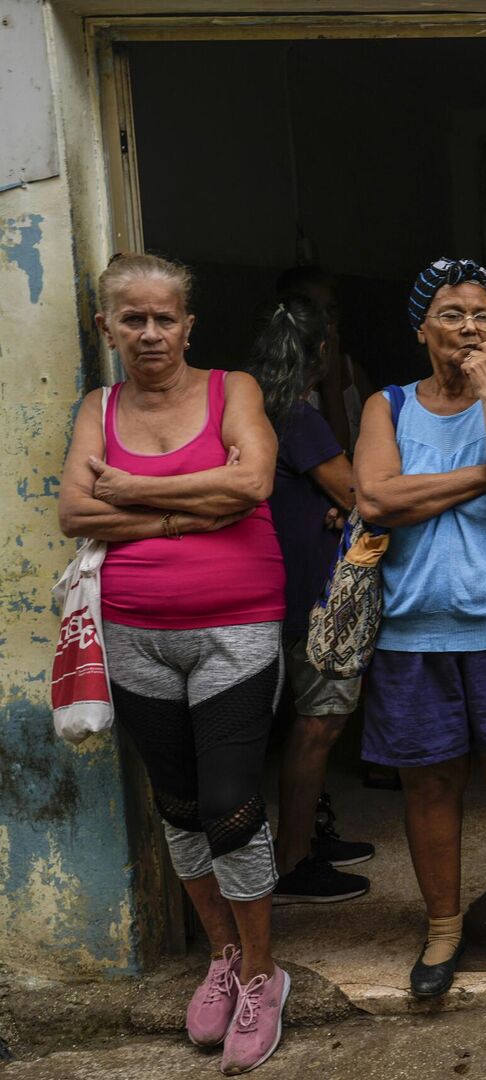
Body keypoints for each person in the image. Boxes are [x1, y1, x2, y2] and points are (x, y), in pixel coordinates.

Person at [59, 253, 294, 1074]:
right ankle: (222, 956)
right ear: (108, 328)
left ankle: (266, 974)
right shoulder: (100, 406)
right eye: (134, 319)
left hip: (237, 624)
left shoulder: (234, 391)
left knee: (230, 801)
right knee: (181, 801)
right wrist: (186, 509)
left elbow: (256, 481)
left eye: (166, 318)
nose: (151, 333)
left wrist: (130, 492)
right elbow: (72, 509)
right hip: (133, 630)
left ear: (189, 325)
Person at [353, 258, 486, 997]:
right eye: (451, 314)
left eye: (481, 314)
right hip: (414, 634)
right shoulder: (387, 406)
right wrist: (475, 474)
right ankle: (442, 925)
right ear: (422, 330)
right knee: (430, 786)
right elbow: (376, 499)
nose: (470, 327)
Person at [242, 294, 376, 907]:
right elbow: (359, 493)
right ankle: (294, 861)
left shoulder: (255, 410)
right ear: (323, 353)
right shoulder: (301, 418)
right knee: (320, 722)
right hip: (313, 594)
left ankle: (304, 841)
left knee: (309, 719)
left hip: (277, 585)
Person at [276, 265, 374, 449]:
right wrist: (330, 380)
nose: (326, 319)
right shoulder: (281, 381)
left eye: (332, 308)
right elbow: (335, 452)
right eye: (313, 310)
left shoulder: (353, 372)